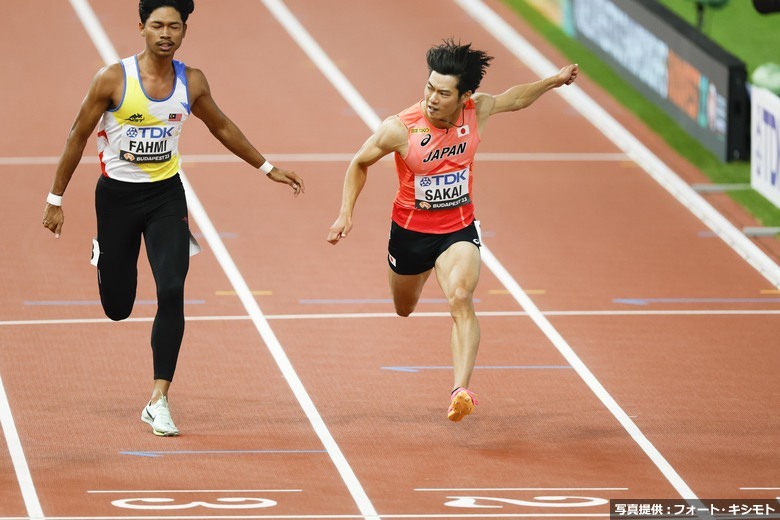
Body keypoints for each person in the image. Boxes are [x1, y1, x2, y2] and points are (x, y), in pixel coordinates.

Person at [41, 0, 304, 436]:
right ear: (141, 28)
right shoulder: (113, 79)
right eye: (157, 25)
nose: (166, 33)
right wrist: (55, 199)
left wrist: (267, 167)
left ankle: (159, 397)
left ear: (184, 32)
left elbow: (221, 126)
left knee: (171, 286)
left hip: (166, 198)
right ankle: (105, 255)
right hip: (116, 199)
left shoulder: (192, 81)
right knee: (118, 308)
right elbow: (77, 135)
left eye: (175, 27)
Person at [327, 39, 577, 422]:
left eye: (443, 93)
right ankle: (425, 270)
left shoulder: (477, 112)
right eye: (429, 88)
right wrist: (346, 213)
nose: (431, 98)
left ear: (465, 97)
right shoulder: (401, 129)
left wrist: (554, 81)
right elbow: (359, 163)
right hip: (410, 233)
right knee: (404, 308)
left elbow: (516, 98)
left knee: (461, 296)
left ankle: (461, 390)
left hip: (457, 227)